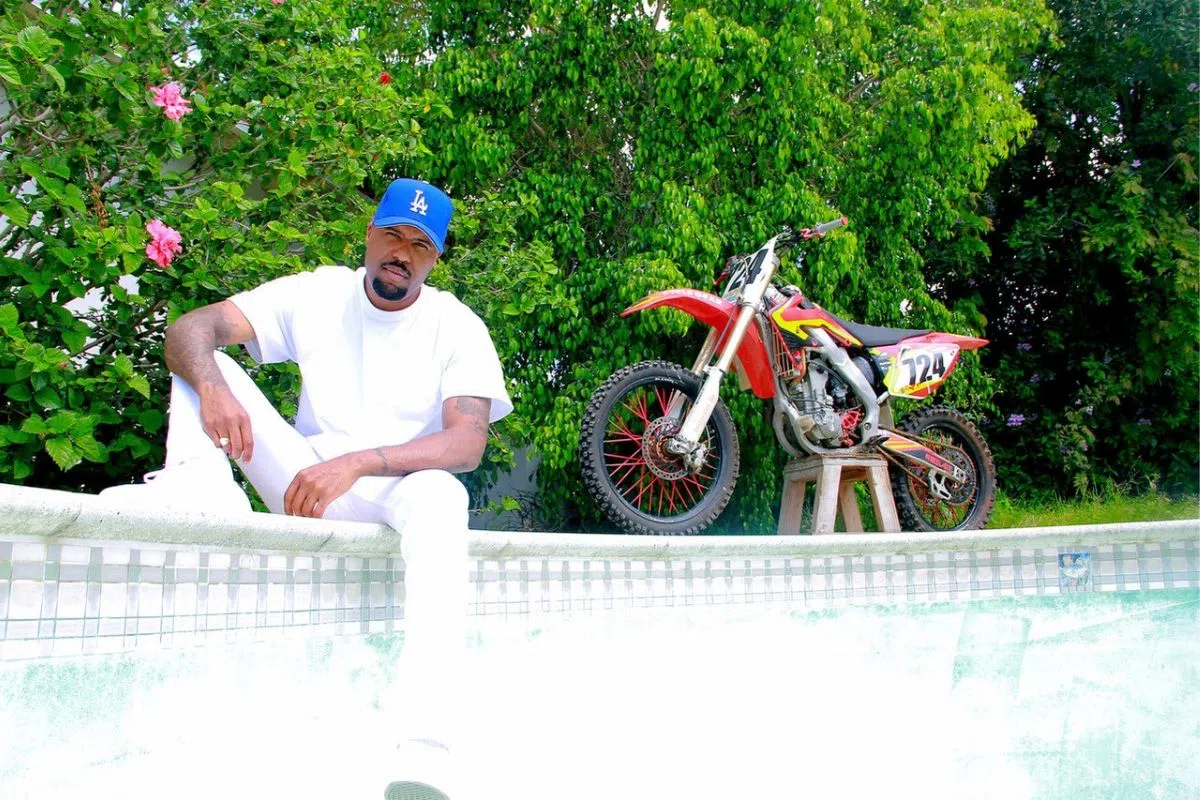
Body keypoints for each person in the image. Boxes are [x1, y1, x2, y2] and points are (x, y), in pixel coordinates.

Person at [101, 177, 511, 799]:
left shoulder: (457, 325)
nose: (402, 253)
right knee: (207, 362)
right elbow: (192, 327)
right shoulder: (319, 293)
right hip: (304, 485)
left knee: (443, 497)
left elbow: (466, 443)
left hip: (396, 490)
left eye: (420, 245)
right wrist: (212, 389)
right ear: (369, 235)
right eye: (393, 235)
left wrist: (358, 462)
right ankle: (199, 489)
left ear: (435, 258)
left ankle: (424, 750)